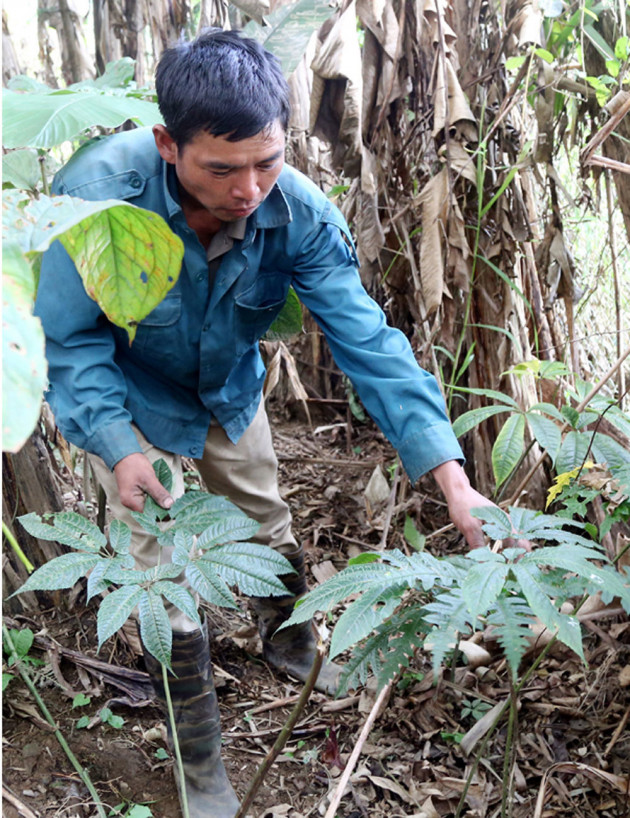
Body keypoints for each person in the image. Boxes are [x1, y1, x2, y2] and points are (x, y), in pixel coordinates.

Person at [35, 28, 495, 818]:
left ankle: (290, 641)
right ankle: (200, 759)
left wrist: (456, 484)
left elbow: (371, 345)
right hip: (132, 400)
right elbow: (71, 340)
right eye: (222, 168)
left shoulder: (298, 214)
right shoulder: (95, 196)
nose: (250, 188)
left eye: (267, 161)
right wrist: (116, 449)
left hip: (228, 392)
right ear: (167, 146)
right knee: (161, 574)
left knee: (263, 516)